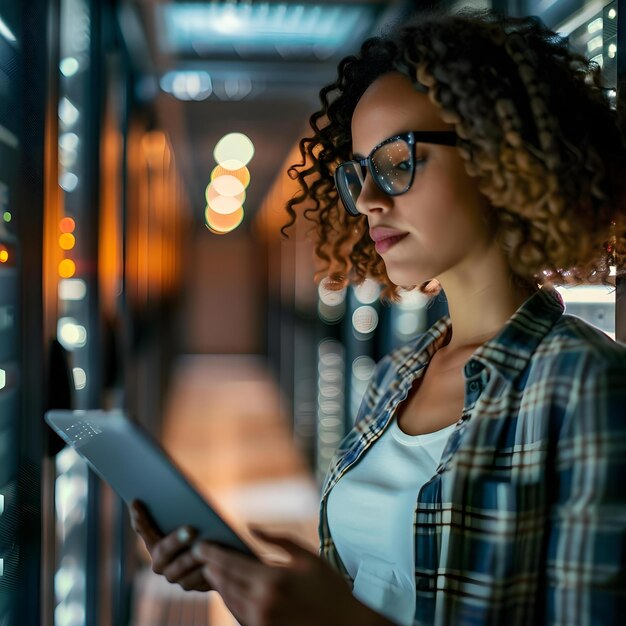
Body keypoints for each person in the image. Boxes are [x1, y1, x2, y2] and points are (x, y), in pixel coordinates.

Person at [131, 7, 626, 625]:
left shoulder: (589, 387)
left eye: (398, 162)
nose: (367, 200)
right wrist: (248, 581)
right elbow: (376, 584)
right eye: (360, 174)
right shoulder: (397, 375)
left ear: (500, 159)